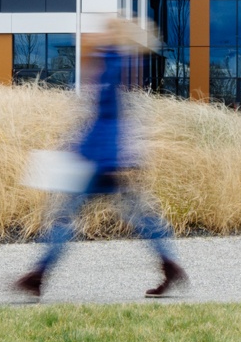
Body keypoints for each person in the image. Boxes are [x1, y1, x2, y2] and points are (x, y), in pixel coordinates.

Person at [13, 19, 187, 300]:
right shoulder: (114, 61)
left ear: (114, 36)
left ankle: (38, 275)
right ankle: (170, 266)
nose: (96, 34)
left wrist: (83, 151)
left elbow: (108, 117)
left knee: (65, 216)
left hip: (100, 161)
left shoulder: (112, 62)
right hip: (108, 158)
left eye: (107, 30)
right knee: (141, 217)